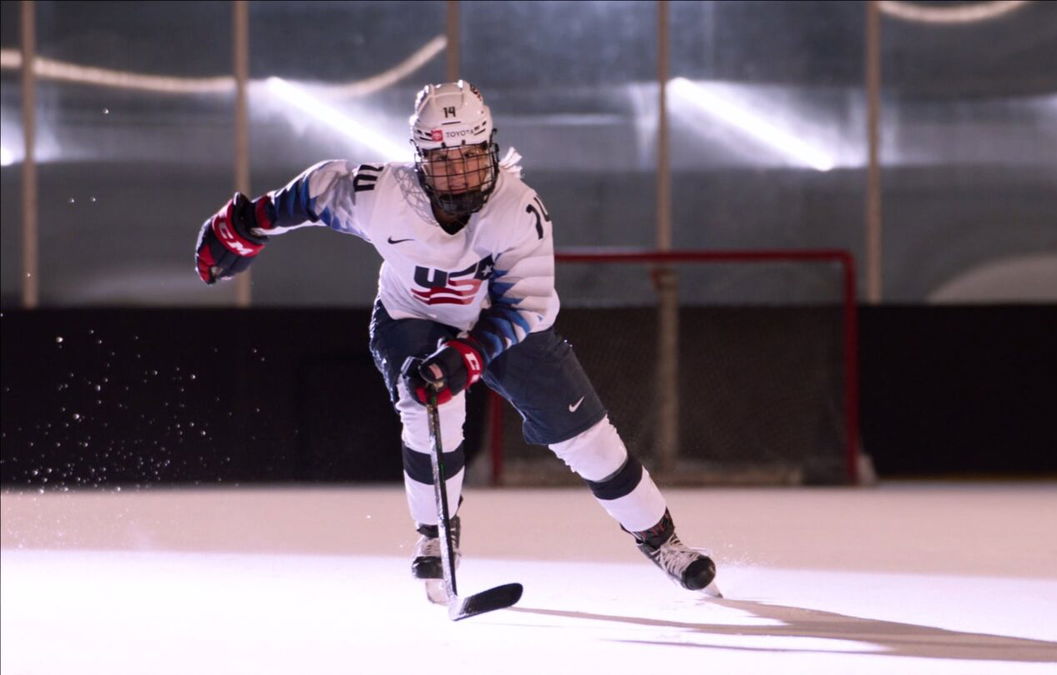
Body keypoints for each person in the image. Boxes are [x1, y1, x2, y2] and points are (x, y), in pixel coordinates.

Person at [194, 80, 718, 600]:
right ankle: (435, 536)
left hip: (500, 324)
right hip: (412, 315)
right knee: (427, 404)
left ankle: (661, 540)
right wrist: (247, 224)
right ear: (420, 160)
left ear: (489, 149)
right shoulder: (384, 195)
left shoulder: (519, 210)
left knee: (587, 437)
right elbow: (318, 189)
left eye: (468, 156)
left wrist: (467, 356)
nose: (457, 173)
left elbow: (526, 307)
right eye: (442, 161)